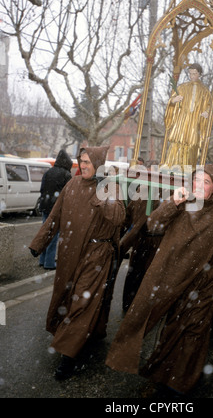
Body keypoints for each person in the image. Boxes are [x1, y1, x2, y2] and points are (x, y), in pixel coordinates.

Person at [106, 164, 213, 397]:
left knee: (194, 333)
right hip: (176, 280)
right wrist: (172, 202)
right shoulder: (181, 205)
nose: (200, 186)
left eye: (206, 182)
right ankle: (165, 372)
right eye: (196, 181)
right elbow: (153, 225)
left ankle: (180, 382)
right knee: (173, 328)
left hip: (205, 284)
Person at [29, 146, 126, 380]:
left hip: (97, 254)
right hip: (70, 253)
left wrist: (102, 192)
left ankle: (67, 357)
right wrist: (38, 243)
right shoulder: (71, 185)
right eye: (81, 161)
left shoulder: (109, 186)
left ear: (98, 164)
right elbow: (55, 216)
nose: (83, 166)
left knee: (82, 303)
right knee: (67, 297)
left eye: (88, 162)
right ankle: (82, 335)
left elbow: (118, 217)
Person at [121, 160, 162, 312]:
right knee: (136, 274)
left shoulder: (155, 192)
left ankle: (134, 307)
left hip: (152, 241)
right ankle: (131, 306)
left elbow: (137, 221)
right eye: (148, 174)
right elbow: (130, 216)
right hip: (141, 240)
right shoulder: (142, 191)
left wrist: (123, 244)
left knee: (143, 275)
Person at [163, 63, 212, 169]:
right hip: (181, 121)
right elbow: (172, 101)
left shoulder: (204, 91)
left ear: (199, 74)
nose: (192, 76)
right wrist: (173, 101)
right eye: (190, 74)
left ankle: (187, 168)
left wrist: (207, 112)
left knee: (192, 144)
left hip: (195, 122)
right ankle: (172, 165)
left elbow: (208, 105)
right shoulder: (182, 87)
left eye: (194, 74)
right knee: (177, 142)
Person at [38, 149, 73, 270]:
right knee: (53, 236)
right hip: (56, 208)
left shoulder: (48, 172)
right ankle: (49, 262)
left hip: (45, 206)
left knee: (45, 233)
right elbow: (69, 194)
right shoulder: (66, 174)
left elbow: (42, 189)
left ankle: (42, 260)